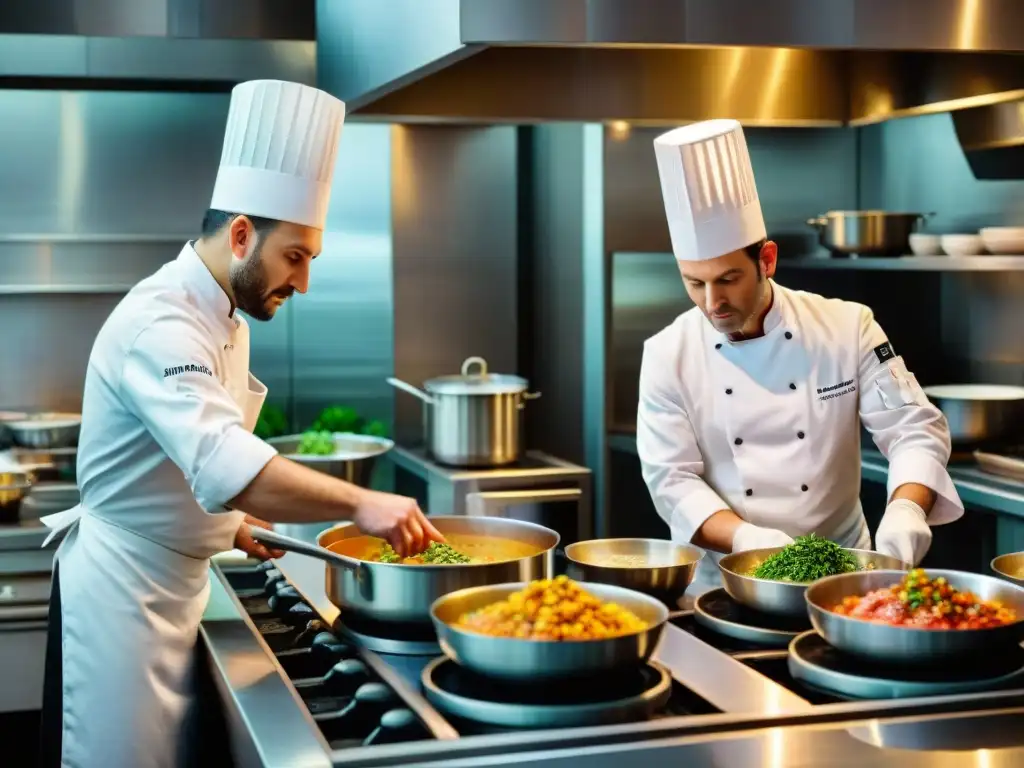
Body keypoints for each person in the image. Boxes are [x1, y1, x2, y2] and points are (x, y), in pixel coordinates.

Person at [38, 80, 443, 768]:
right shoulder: (160, 321)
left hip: (178, 584)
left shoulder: (225, 312)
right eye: (297, 256)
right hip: (121, 604)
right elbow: (223, 460)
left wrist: (230, 526)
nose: (304, 282)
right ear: (241, 235)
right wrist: (363, 502)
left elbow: (187, 458)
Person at [637, 119, 963, 596]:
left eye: (728, 279)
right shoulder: (667, 354)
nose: (712, 302)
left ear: (766, 260)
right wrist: (748, 539)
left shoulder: (847, 326)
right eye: (694, 282)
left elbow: (912, 426)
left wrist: (906, 509)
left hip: (846, 578)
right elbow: (672, 482)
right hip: (724, 584)